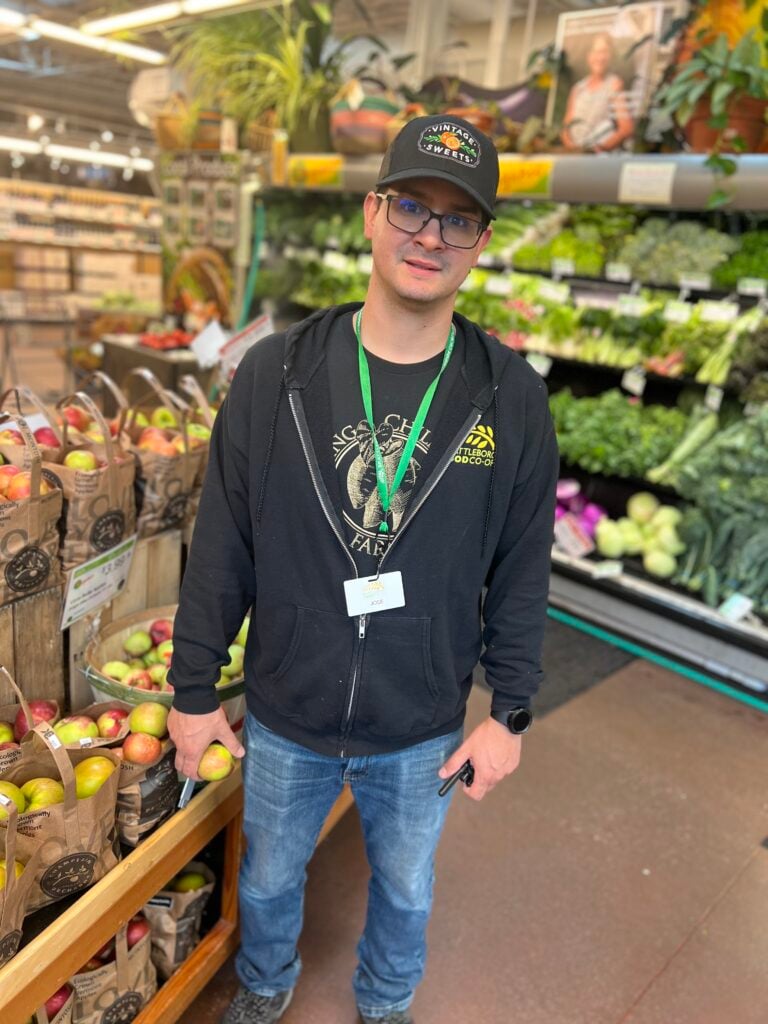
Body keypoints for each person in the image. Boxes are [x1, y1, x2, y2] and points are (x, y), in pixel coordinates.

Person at [167, 114, 559, 1024]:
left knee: (409, 888)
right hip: (286, 707)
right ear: (373, 213)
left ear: (481, 244)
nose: (431, 236)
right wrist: (193, 692)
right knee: (265, 876)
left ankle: (386, 1001)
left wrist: (510, 711)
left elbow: (523, 565)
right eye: (413, 207)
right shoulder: (277, 375)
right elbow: (221, 540)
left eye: (457, 220)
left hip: (421, 720)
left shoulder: (513, 398)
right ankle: (264, 986)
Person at [561, 31, 635, 152]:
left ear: (610, 56)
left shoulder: (614, 84)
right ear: (588, 55)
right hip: (575, 158)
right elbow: (566, 127)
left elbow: (626, 128)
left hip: (599, 159)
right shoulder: (578, 88)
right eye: (596, 51)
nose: (600, 57)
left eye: (604, 52)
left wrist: (600, 149)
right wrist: (571, 148)